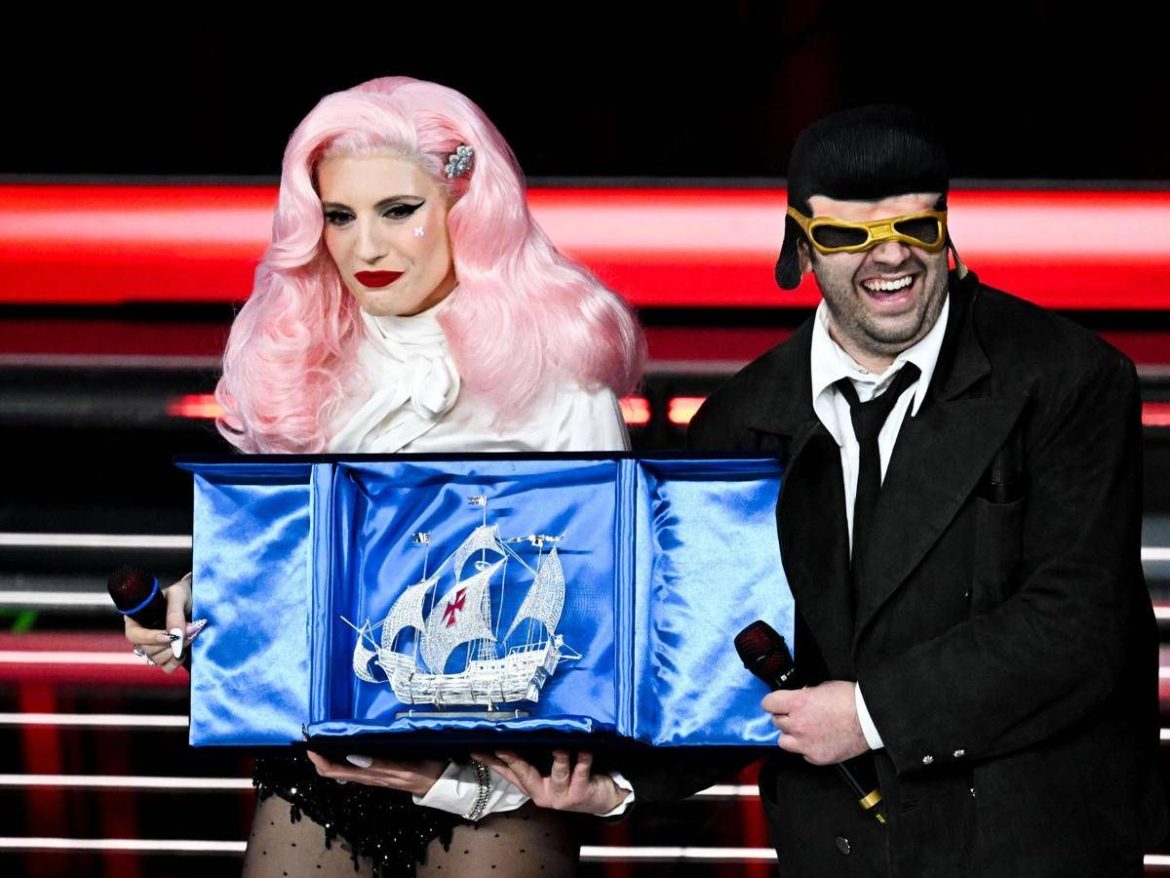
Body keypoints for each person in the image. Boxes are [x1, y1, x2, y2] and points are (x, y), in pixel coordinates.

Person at [558, 104, 1167, 876]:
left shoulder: (1069, 378)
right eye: (851, 237)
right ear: (801, 248)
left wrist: (870, 714)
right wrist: (619, 783)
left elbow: (1079, 624)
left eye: (916, 227)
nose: (893, 257)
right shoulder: (737, 420)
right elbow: (729, 655)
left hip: (1029, 846)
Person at [123, 76, 643, 877]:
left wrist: (467, 781)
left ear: (467, 206)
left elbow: (601, 607)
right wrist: (196, 600)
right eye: (340, 216)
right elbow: (290, 561)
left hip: (498, 771)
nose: (365, 247)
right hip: (328, 759)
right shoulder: (298, 361)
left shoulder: (562, 380)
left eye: (398, 211)